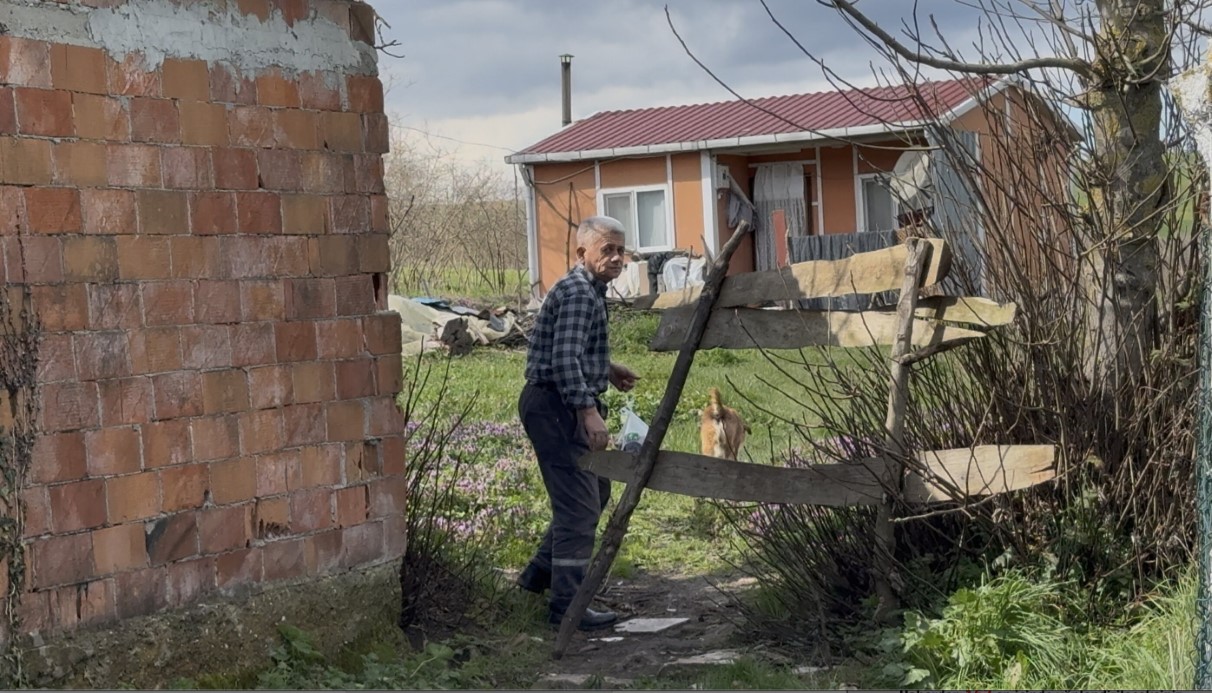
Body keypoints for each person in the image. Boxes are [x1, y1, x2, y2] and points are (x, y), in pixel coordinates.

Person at [515, 215, 639, 631]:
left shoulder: (587, 288)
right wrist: (588, 411)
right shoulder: (580, 293)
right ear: (582, 251)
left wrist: (605, 367)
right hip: (555, 406)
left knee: (595, 490)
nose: (617, 258)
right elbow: (564, 359)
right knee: (580, 508)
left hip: (555, 400)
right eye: (608, 249)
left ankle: (536, 577)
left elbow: (570, 349)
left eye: (621, 250)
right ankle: (566, 607)